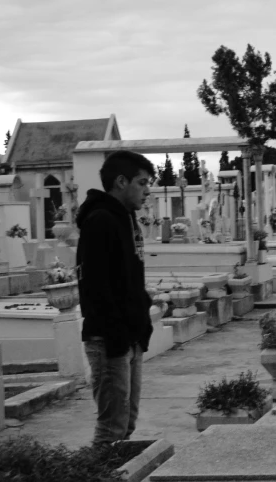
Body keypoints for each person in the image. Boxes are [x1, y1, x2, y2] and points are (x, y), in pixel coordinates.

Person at [75, 150, 156, 446]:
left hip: (129, 337)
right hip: (110, 341)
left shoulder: (127, 219)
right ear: (121, 182)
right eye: (142, 182)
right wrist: (117, 335)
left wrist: (142, 318)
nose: (148, 191)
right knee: (111, 429)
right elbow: (95, 287)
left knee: (126, 426)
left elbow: (129, 278)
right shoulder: (100, 221)